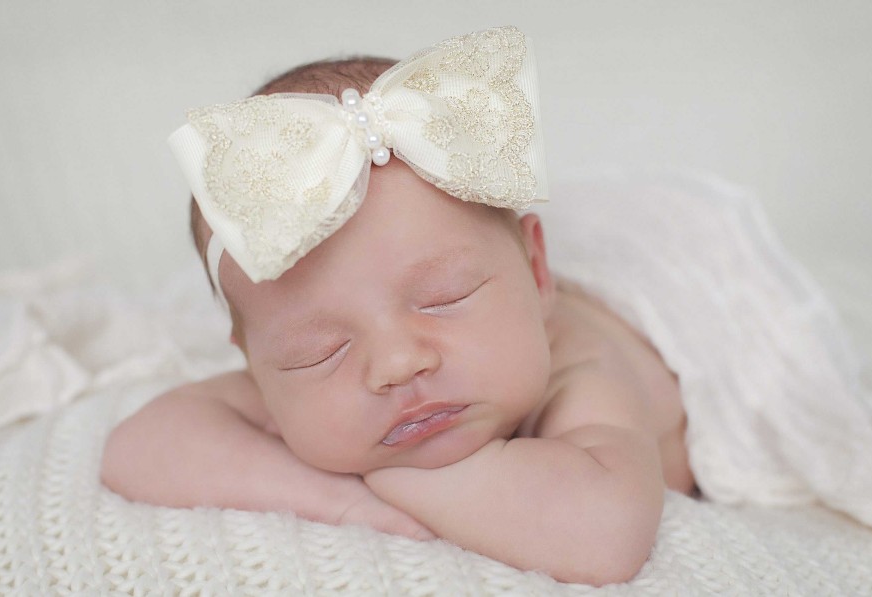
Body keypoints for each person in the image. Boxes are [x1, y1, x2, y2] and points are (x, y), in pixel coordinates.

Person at [100, 26, 694, 586]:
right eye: (319, 352)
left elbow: (604, 536)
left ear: (537, 273)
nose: (396, 363)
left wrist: (384, 472)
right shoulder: (301, 391)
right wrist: (342, 501)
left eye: (444, 299)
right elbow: (137, 447)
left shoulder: (584, 369)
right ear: (256, 363)